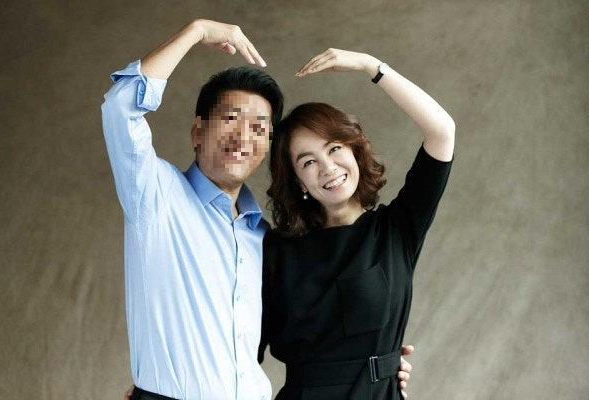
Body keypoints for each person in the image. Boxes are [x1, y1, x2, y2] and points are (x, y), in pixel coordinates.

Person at [102, 19, 413, 400]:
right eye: (231, 119)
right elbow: (121, 108)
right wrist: (196, 32)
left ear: (267, 147)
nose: (242, 137)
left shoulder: (263, 238)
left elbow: (305, 329)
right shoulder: (156, 195)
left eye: (259, 128)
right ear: (197, 131)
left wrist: (378, 364)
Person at [258, 49, 455, 399]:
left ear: (354, 150)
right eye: (308, 162)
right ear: (299, 181)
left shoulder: (396, 229)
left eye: (334, 148)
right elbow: (240, 348)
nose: (328, 167)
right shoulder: (274, 250)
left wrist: (370, 66)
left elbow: (442, 131)